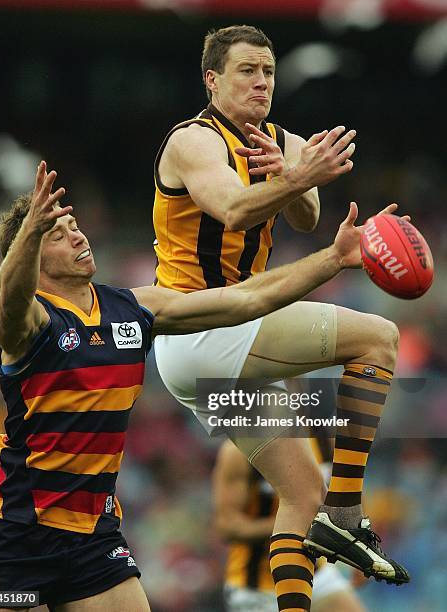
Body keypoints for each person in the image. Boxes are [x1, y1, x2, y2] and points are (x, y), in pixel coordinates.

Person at [0, 161, 385, 611]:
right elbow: (8, 302)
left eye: (75, 226)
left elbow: (245, 299)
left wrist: (333, 258)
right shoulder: (30, 323)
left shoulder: (134, 307)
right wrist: (31, 230)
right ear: (31, 254)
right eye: (58, 234)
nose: (78, 236)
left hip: (94, 539)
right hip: (16, 538)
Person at [152, 24, 410, 610]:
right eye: (247, 71)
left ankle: (312, 560)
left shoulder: (280, 140)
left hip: (212, 355)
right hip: (205, 329)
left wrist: (293, 176)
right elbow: (233, 210)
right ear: (213, 79)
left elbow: (305, 216)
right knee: (380, 339)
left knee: (300, 496)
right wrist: (293, 174)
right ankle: (348, 512)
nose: (261, 82)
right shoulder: (193, 141)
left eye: (268, 71)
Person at [213, 439, 367, 612]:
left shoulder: (325, 440)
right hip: (258, 588)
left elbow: (347, 495)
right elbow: (227, 526)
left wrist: (360, 547)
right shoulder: (239, 450)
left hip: (316, 575)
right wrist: (294, 522)